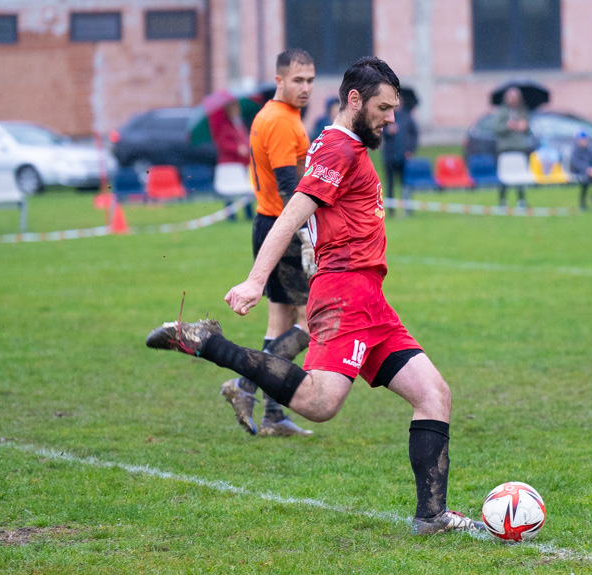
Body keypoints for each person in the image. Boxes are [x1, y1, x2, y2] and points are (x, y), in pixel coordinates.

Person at [147, 56, 485, 536]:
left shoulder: (340, 144)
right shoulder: (338, 150)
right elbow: (291, 213)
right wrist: (254, 281)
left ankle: (431, 517)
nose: (391, 118)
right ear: (355, 100)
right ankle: (206, 343)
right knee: (322, 403)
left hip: (369, 296)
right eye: (384, 108)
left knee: (434, 394)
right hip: (344, 291)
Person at [218, 48, 316, 438]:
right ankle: (244, 384)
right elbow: (290, 187)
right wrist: (307, 235)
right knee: (314, 324)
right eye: (298, 80)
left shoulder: (281, 116)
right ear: (279, 81)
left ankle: (274, 416)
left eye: (310, 80)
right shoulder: (279, 121)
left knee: (281, 323)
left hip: (268, 224)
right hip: (283, 229)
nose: (306, 87)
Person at [207, 96, 254, 220]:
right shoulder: (224, 125)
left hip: (242, 162)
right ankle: (231, 216)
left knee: (245, 189)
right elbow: (222, 143)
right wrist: (237, 148)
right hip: (229, 163)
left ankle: (248, 214)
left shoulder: (239, 123)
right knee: (230, 191)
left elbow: (243, 139)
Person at [494, 86, 535, 209]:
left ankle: (521, 200)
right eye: (511, 97)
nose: (514, 99)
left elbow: (529, 130)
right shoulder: (502, 112)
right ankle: (502, 201)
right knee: (504, 176)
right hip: (505, 149)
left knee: (520, 176)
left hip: (519, 148)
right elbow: (496, 128)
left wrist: (525, 126)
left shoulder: (522, 111)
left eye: (516, 97)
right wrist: (508, 126)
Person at [381, 92, 418, 216]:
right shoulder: (386, 116)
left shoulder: (407, 116)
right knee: (390, 185)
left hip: (403, 157)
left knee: (405, 184)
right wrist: (387, 131)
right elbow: (379, 131)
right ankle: (390, 211)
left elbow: (414, 134)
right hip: (389, 156)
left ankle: (407, 209)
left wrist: (410, 150)